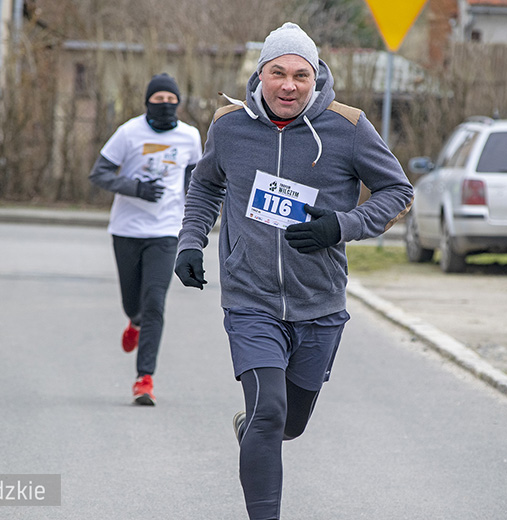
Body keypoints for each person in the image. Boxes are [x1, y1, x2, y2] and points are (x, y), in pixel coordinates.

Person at [174, 22, 414, 520]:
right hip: (250, 299)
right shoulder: (229, 126)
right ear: (260, 75)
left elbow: (399, 193)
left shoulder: (348, 128)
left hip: (319, 301)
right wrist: (190, 243)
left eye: (300, 75)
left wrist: (342, 226)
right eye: (277, 73)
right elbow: (205, 187)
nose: (289, 85)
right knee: (269, 413)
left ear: (317, 77)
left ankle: (256, 430)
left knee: (291, 422)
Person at [89, 73, 202, 405]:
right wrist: (136, 188)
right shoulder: (128, 132)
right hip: (127, 229)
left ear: (179, 104)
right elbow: (99, 173)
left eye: (171, 101)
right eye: (159, 100)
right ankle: (133, 321)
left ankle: (144, 378)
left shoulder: (190, 136)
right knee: (133, 304)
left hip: (167, 229)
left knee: (155, 302)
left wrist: (193, 219)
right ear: (147, 102)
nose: (165, 106)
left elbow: (197, 180)